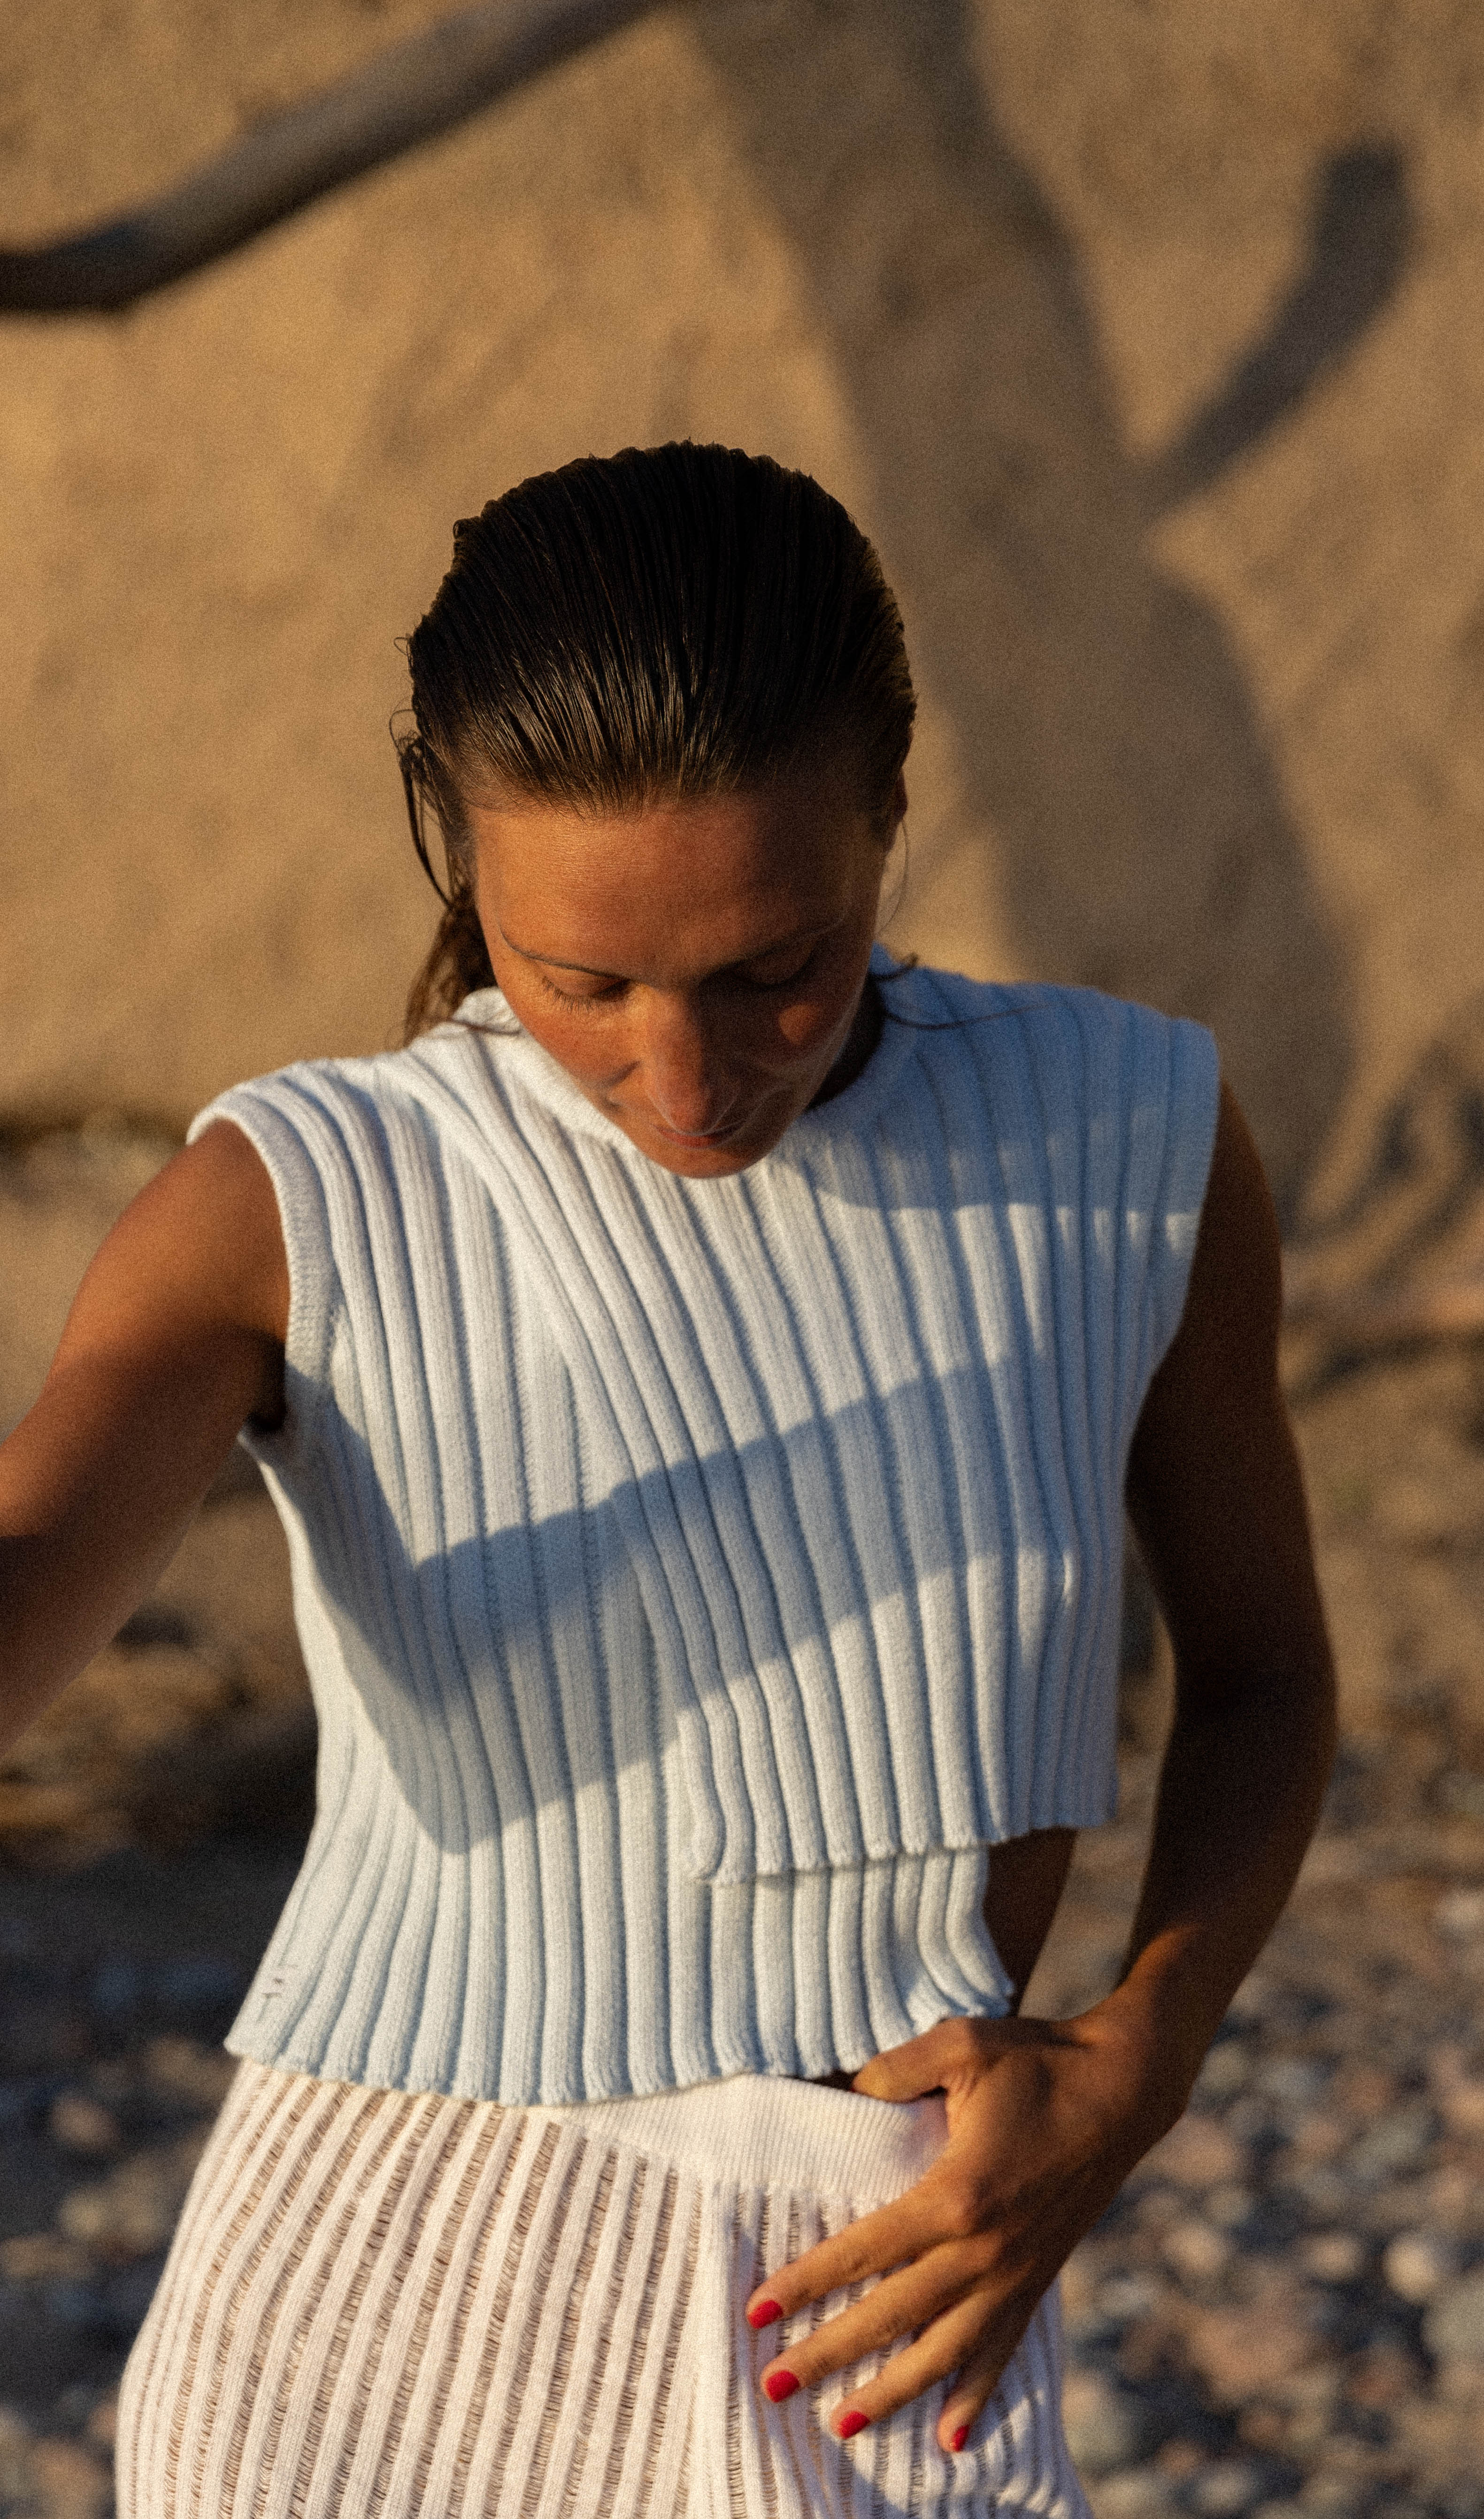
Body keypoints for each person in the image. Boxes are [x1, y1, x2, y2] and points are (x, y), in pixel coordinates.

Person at [0, 441, 1337, 2517]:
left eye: (770, 966)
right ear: (459, 861)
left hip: (887, 2294)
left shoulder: (1124, 1136)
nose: (688, 1079)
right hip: (371, 2319)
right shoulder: (304, 1202)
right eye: (583, 983)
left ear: (890, 816)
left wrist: (1135, 2061)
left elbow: (1263, 1677)